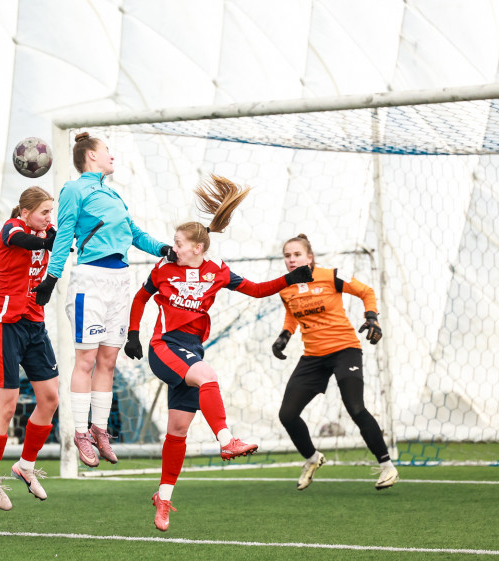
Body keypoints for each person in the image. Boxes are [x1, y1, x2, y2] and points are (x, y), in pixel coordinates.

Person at [123, 175, 314, 532]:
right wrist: (133, 334)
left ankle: (163, 497)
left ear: (197, 247)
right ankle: (227, 441)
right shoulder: (163, 268)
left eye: (178, 243)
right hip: (164, 348)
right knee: (208, 376)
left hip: (190, 352)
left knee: (177, 430)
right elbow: (140, 298)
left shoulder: (217, 271)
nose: (173, 248)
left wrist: (290, 278)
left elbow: (257, 290)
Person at [31, 132, 175, 467]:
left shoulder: (113, 195)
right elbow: (64, 235)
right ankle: (80, 433)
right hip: (91, 280)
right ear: (92, 155)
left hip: (119, 280)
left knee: (108, 361)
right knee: (86, 360)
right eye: (107, 150)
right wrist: (51, 278)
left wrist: (163, 249)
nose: (112, 156)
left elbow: (134, 233)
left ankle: (99, 429)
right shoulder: (73, 189)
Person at [272, 234, 398, 491]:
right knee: (287, 414)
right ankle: (312, 458)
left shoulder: (332, 276)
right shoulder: (285, 287)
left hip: (344, 350)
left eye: (297, 254)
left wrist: (372, 318)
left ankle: (387, 466)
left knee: (355, 407)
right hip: (313, 357)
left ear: (309, 257)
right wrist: (284, 336)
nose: (292, 259)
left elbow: (366, 291)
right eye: (287, 255)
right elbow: (292, 315)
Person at [0, 187, 59, 511]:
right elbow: (21, 240)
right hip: (5, 326)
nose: (49, 218)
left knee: (50, 399)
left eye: (51, 212)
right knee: (7, 406)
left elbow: (56, 240)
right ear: (25, 213)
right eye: (43, 212)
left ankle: (25, 466)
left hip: (34, 326)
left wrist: (56, 236)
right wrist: (46, 241)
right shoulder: (12, 228)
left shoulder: (48, 231)